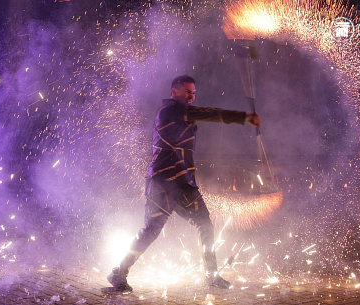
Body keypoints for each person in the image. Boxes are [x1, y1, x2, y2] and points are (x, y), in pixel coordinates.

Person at [107, 75, 260, 291]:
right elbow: (209, 113)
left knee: (204, 224)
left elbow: (200, 118)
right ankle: (119, 272)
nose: (191, 96)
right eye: (187, 91)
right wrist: (244, 116)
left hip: (181, 183)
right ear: (174, 92)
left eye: (193, 93)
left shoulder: (183, 114)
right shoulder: (170, 110)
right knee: (151, 230)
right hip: (163, 182)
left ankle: (211, 275)